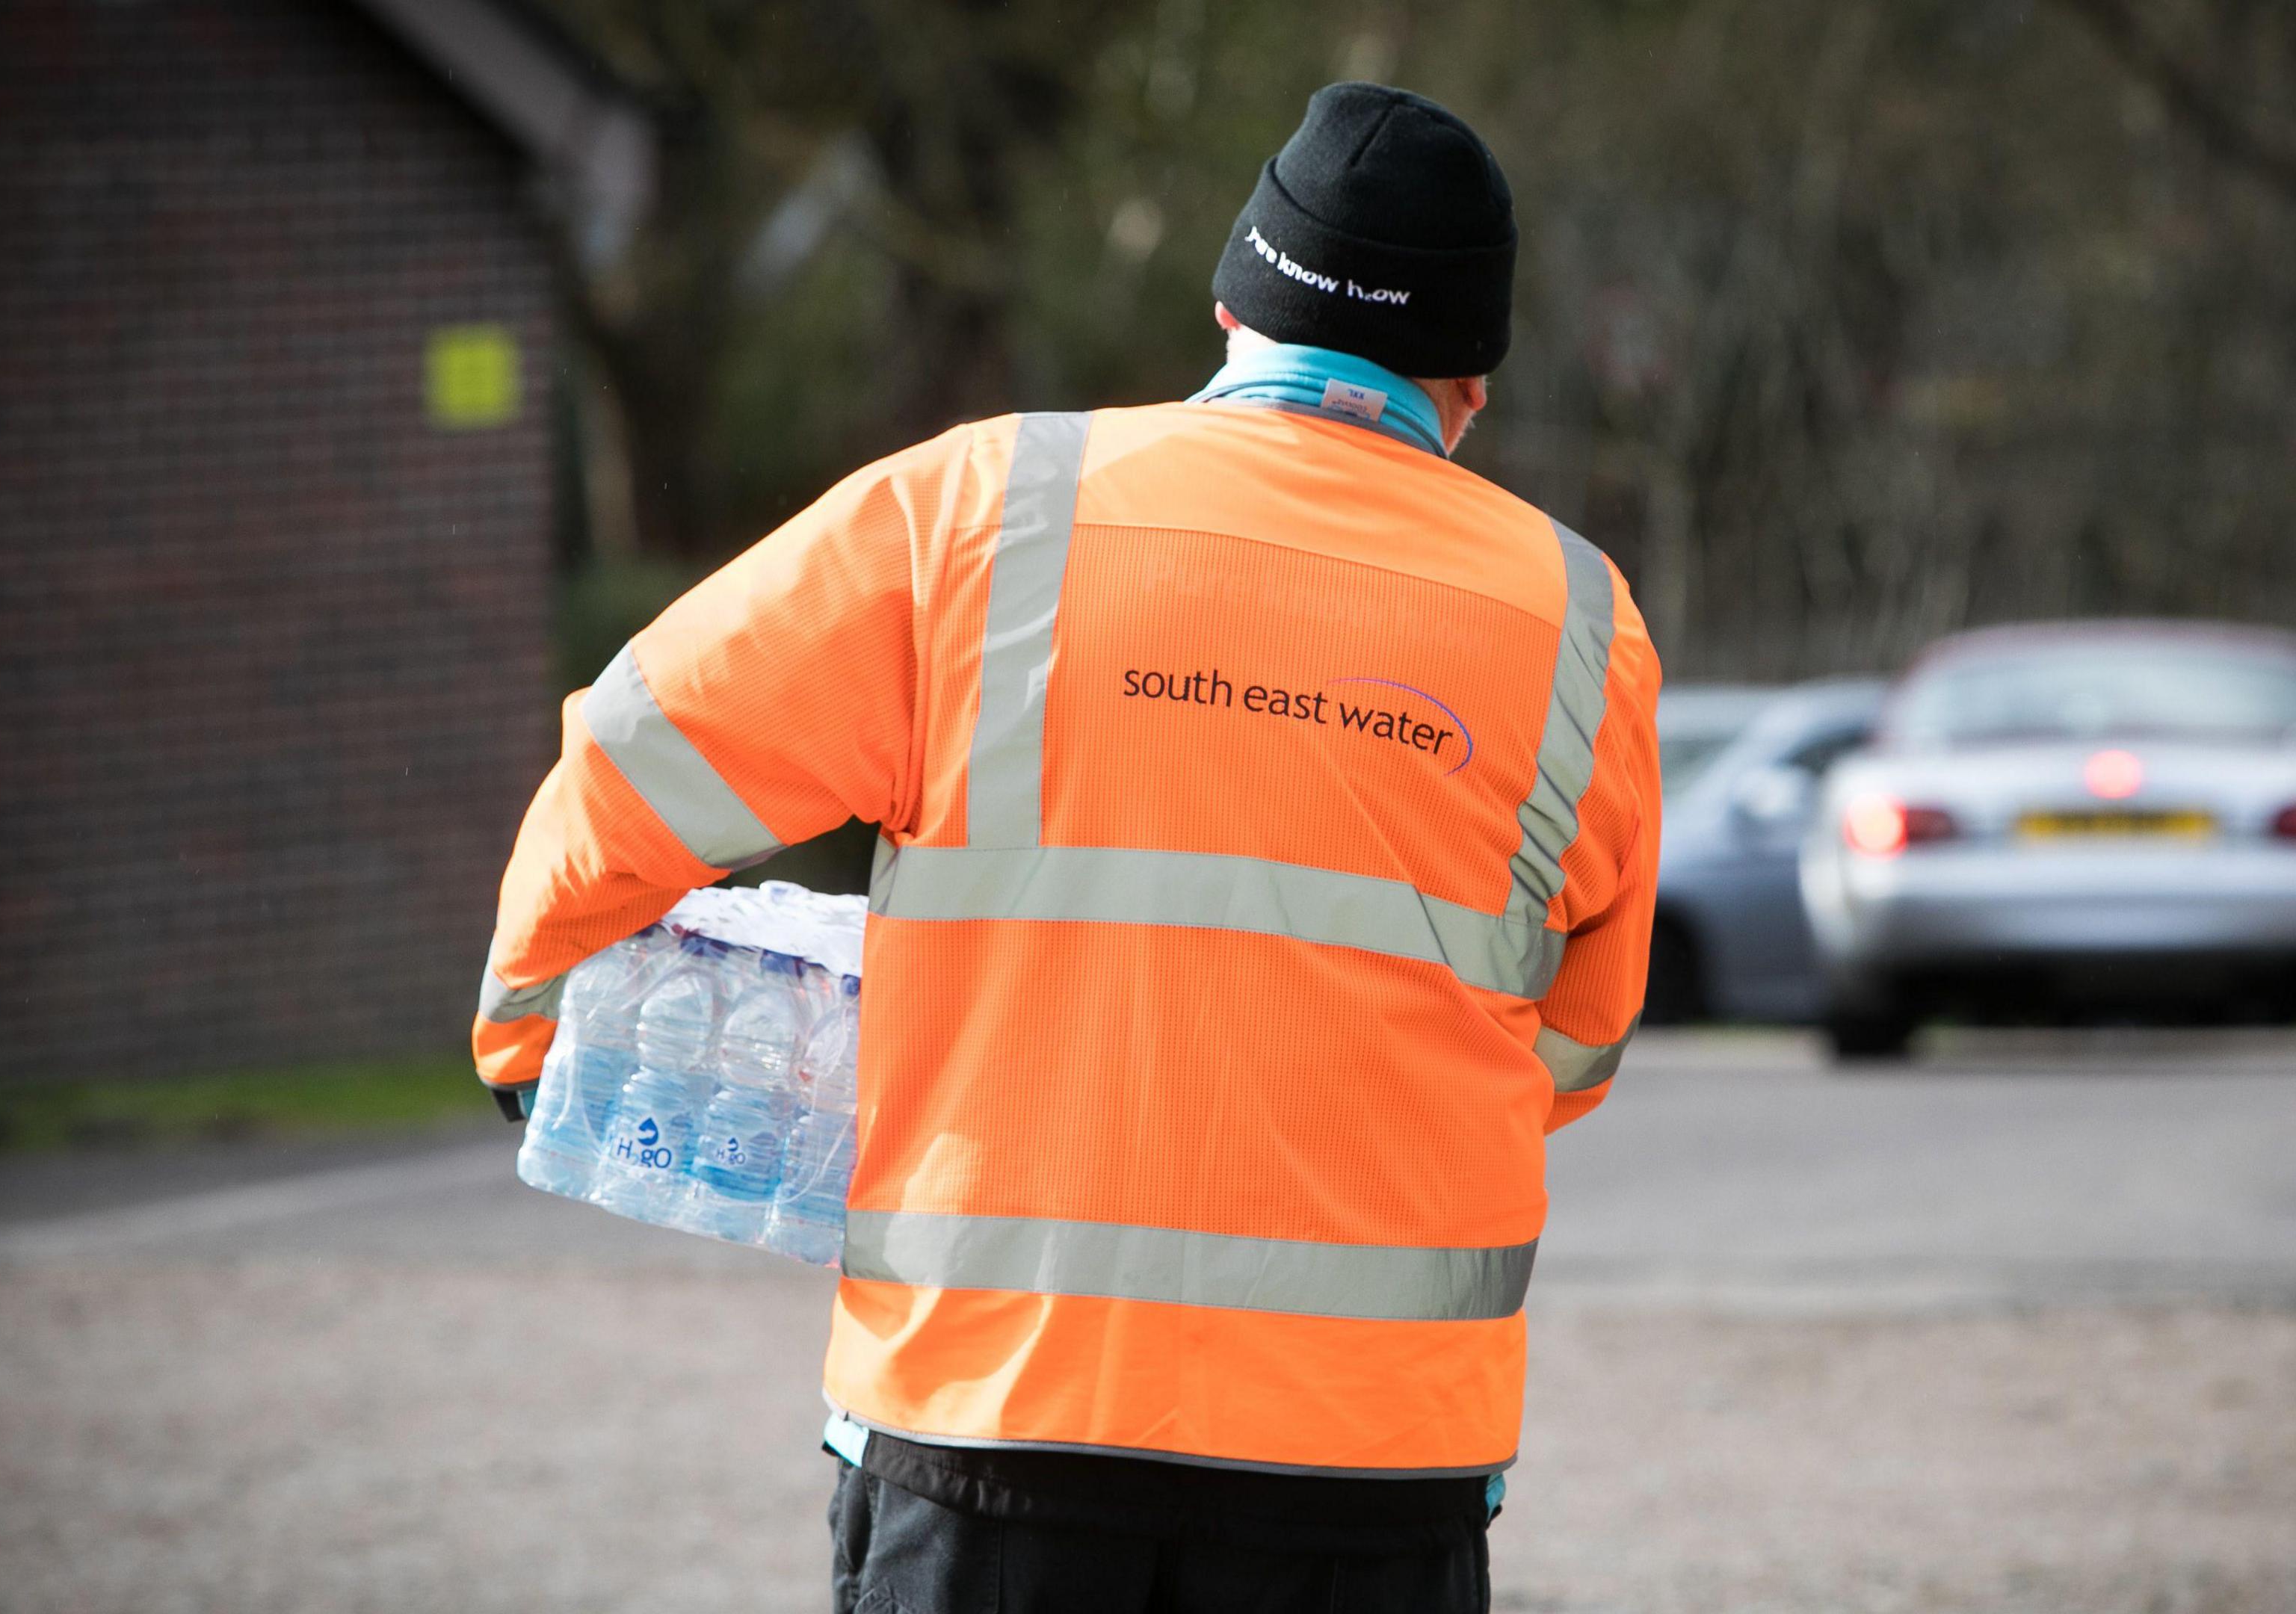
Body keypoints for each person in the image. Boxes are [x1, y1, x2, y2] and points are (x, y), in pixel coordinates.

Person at [472, 81, 1661, 1614]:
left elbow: (640, 754)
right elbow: (1578, 1035)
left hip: (994, 1423)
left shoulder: (979, 507)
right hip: (1374, 1461)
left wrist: (530, 1018)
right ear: (1469, 386)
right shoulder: (1579, 621)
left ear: (1231, 305)